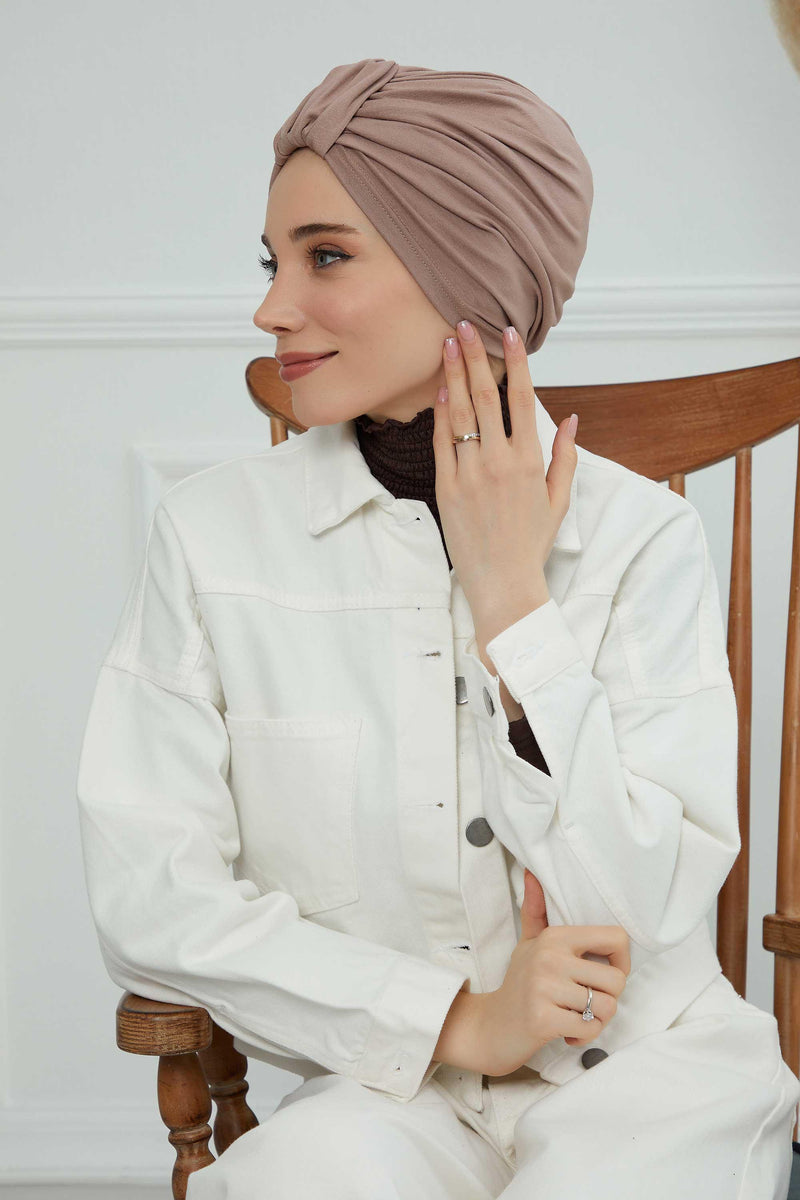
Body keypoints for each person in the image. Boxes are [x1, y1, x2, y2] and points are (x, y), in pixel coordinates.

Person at [75, 59, 800, 1198]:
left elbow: (648, 918)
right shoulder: (211, 540)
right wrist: (454, 1019)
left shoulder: (640, 540)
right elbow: (152, 895)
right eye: (272, 263)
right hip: (387, 1091)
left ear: (462, 266)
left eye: (326, 256)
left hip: (649, 1084)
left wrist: (514, 609)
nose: (270, 309)